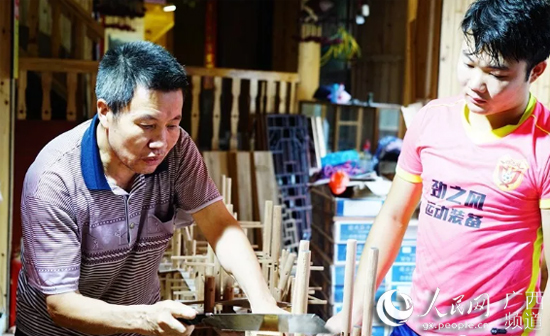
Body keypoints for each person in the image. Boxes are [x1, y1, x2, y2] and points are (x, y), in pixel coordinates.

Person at [15, 41, 283, 336]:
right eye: (147, 125)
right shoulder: (54, 180)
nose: (162, 143)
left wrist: (264, 305)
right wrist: (145, 318)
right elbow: (61, 304)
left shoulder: (177, 149)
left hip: (139, 327)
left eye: (173, 124)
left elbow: (219, 225)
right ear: (105, 111)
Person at [326, 0, 550, 335]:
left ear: (535, 71)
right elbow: (394, 217)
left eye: (497, 74)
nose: (475, 83)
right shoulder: (432, 119)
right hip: (417, 323)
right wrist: (355, 309)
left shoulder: (543, 144)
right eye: (469, 62)